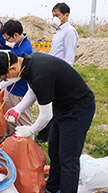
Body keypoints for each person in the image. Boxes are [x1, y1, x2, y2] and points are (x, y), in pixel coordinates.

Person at [0, 51, 95, 193]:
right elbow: (33, 91)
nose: (5, 80)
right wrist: (19, 109)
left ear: (13, 67)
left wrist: (30, 130)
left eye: (5, 76)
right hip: (63, 107)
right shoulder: (28, 64)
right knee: (55, 149)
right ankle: (53, 188)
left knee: (68, 157)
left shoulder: (40, 72)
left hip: (78, 109)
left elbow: (45, 115)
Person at [37, 2, 79, 143]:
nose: (54, 18)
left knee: (53, 105)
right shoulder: (58, 31)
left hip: (60, 74)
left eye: (57, 15)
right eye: (53, 15)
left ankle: (45, 135)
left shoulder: (70, 31)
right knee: (49, 104)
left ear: (66, 15)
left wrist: (65, 77)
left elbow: (69, 56)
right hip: (52, 71)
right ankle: (47, 134)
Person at [0, 19, 34, 136]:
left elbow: (17, 74)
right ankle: (13, 144)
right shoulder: (17, 45)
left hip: (20, 92)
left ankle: (29, 148)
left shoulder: (25, 49)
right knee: (11, 120)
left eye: (7, 39)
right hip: (11, 89)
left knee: (23, 122)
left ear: (16, 35)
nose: (6, 42)